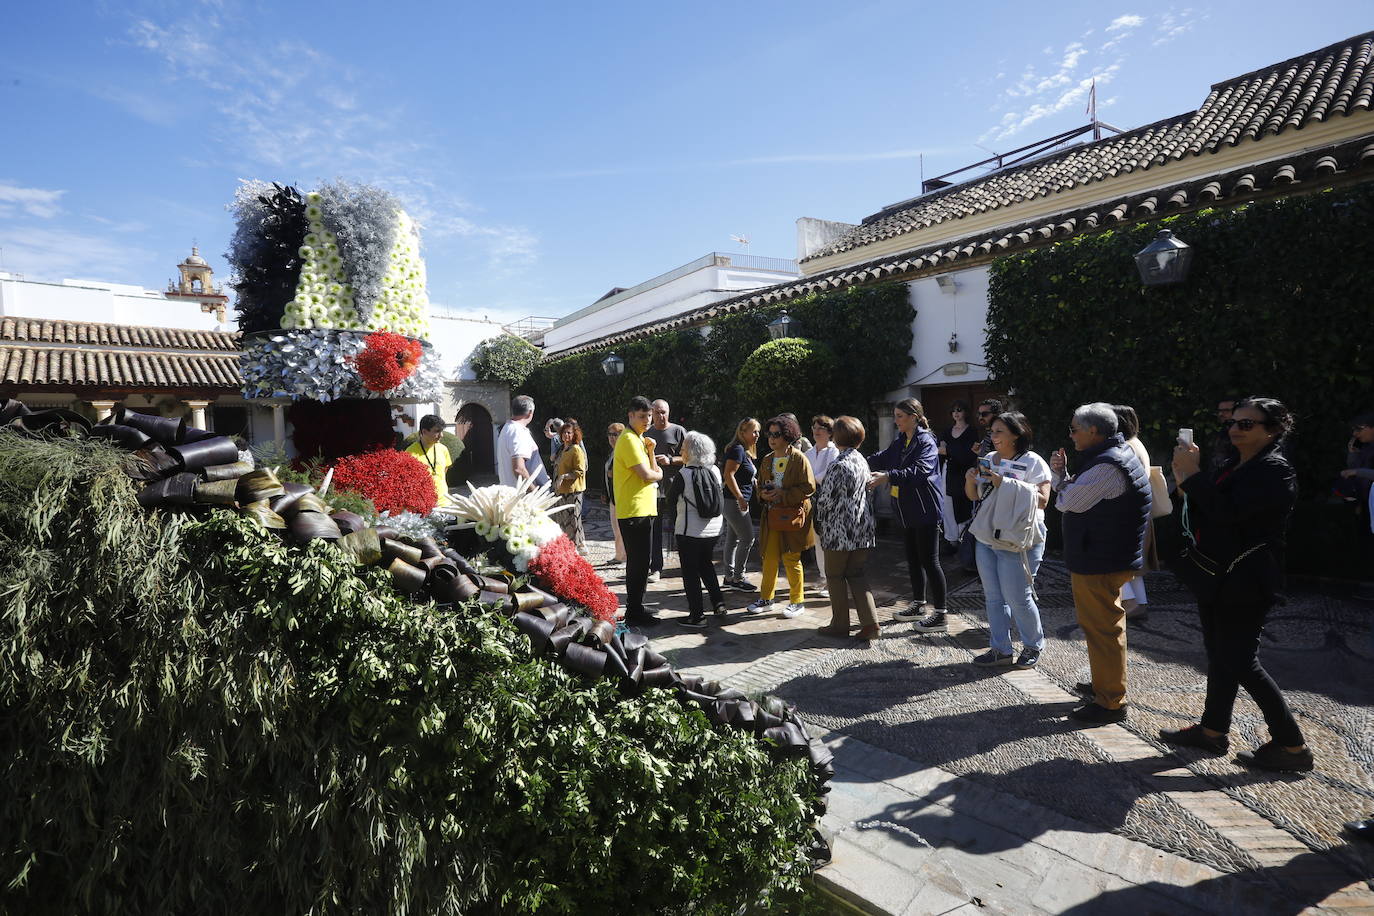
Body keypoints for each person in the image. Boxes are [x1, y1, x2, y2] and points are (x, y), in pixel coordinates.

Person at [1164, 397, 1313, 772]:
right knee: (1219, 652)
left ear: (1273, 429)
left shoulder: (1275, 471)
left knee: (1241, 659)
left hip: (1247, 578)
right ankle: (1213, 730)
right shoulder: (1234, 463)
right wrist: (1184, 482)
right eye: (1233, 421)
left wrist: (1195, 477)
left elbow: (1231, 515)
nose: (1234, 429)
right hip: (1218, 572)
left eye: (1246, 424)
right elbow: (1206, 508)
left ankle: (1292, 745)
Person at [1050, 402, 1150, 725]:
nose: (1071, 435)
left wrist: (1061, 483)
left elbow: (1065, 501)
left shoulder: (1106, 467)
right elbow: (1070, 495)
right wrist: (1061, 476)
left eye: (1074, 429)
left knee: (1102, 629)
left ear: (1093, 431)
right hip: (1106, 556)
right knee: (1106, 626)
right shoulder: (1112, 457)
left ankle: (1110, 701)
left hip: (1101, 559)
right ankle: (1104, 685)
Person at [964, 410, 1051, 668]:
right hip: (988, 535)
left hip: (1020, 538)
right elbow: (975, 497)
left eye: (999, 431)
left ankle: (1033, 644)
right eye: (992, 431)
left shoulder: (1033, 461)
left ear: (1017, 434)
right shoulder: (989, 459)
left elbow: (1043, 500)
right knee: (993, 596)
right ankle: (1000, 649)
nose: (993, 436)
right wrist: (970, 481)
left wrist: (1006, 483)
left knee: (1018, 596)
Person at [867, 398, 948, 630]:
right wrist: (858, 461)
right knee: (913, 559)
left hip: (925, 509)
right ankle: (919, 604)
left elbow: (921, 471)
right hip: (906, 510)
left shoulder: (926, 441)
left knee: (930, 561)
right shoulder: (902, 440)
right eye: (895, 416)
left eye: (900, 416)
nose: (896, 421)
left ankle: (941, 614)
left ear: (914, 417)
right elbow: (883, 457)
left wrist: (888, 476)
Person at [815, 416, 880, 642]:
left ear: (836, 436)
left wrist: (819, 521)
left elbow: (825, 501)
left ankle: (840, 625)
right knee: (856, 574)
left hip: (839, 532)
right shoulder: (861, 460)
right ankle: (871, 624)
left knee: (834, 576)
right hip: (862, 530)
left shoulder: (838, 465)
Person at [746, 415, 816, 619]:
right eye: (770, 434)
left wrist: (783, 494)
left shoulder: (799, 458)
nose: (771, 438)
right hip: (773, 516)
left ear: (787, 436)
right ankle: (766, 598)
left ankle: (797, 601)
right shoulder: (767, 459)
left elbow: (809, 487)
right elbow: (759, 485)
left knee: (792, 558)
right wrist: (763, 494)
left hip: (793, 517)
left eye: (777, 434)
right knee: (769, 557)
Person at [613, 396, 663, 627]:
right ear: (630, 415)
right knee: (638, 563)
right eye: (642, 416)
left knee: (643, 562)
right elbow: (649, 475)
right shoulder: (629, 440)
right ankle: (634, 612)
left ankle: (637, 607)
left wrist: (652, 451)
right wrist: (659, 474)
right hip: (634, 511)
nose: (647, 420)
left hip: (643, 509)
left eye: (649, 416)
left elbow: (651, 469)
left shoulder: (641, 439)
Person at [669, 431, 727, 627]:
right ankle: (718, 603)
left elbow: (670, 500)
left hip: (689, 532)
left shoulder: (684, 474)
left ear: (691, 451)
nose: (681, 450)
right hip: (713, 530)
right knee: (706, 564)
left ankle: (697, 616)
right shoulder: (715, 471)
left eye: (684, 447)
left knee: (691, 573)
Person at [1114, 405, 1157, 621]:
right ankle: (1138, 604)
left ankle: (1129, 601)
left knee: (1118, 558)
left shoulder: (1125, 448)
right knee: (1133, 561)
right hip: (1140, 509)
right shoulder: (1136, 443)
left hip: (1127, 511)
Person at [645, 399, 686, 583]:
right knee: (654, 528)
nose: (661, 416)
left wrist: (671, 460)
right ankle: (656, 568)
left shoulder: (678, 431)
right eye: (658, 412)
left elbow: (689, 457)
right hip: (653, 488)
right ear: (651, 413)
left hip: (675, 488)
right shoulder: (647, 433)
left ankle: (685, 564)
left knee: (681, 526)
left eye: (664, 412)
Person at [720, 417, 760, 591]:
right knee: (747, 538)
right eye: (754, 431)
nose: (757, 435)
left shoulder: (743, 450)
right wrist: (740, 498)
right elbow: (728, 475)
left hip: (733, 501)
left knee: (733, 538)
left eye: (758, 431)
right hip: (734, 501)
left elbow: (743, 476)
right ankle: (738, 578)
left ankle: (729, 576)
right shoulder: (737, 449)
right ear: (742, 432)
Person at [803, 415, 839, 599]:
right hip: (812, 501)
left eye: (821, 428)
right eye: (814, 427)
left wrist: (809, 481)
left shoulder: (834, 451)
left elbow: (828, 473)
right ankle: (823, 576)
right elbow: (803, 472)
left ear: (830, 432)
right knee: (817, 540)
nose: (816, 431)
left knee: (828, 540)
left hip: (829, 502)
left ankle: (832, 578)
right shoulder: (808, 453)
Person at [1341, 411, 1374, 602]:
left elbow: (1360, 473)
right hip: (1366, 502)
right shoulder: (1367, 448)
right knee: (1366, 543)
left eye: (1359, 429)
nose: (1355, 434)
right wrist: (1353, 455)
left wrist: (1357, 470)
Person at [406, 414, 465, 508]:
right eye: (437, 431)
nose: (441, 435)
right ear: (424, 431)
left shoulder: (443, 449)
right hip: (423, 507)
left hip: (445, 503)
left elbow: (444, 472)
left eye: (442, 431)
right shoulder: (410, 453)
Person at [940, 401, 979, 527]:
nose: (956, 413)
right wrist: (954, 450)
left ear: (965, 412)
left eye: (959, 410)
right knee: (948, 504)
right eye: (953, 410)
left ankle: (964, 537)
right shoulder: (947, 431)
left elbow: (969, 453)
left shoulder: (971, 431)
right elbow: (941, 450)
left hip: (965, 472)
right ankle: (951, 538)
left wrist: (950, 450)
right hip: (948, 471)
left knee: (964, 504)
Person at [553, 418, 587, 552]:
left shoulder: (576, 449)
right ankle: (575, 545)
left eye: (569, 433)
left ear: (574, 435)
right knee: (562, 519)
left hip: (573, 491)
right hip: (561, 490)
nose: (566, 435)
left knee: (573, 520)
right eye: (564, 433)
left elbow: (580, 471)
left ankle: (575, 546)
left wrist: (564, 477)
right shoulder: (562, 449)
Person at [497, 395, 544, 488]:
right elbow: (519, 469)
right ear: (530, 412)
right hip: (523, 498)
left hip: (512, 492)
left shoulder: (508, 428)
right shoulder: (518, 432)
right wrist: (535, 493)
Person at [603, 422, 627, 567]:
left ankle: (625, 557)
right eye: (610, 434)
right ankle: (619, 555)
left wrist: (615, 474)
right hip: (613, 496)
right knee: (616, 528)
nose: (612, 438)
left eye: (616, 434)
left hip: (622, 496)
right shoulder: (612, 452)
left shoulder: (623, 451)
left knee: (623, 528)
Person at [1211, 396, 1239, 470]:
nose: (1220, 414)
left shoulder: (1243, 433)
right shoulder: (1223, 431)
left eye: (1226, 410)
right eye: (1219, 411)